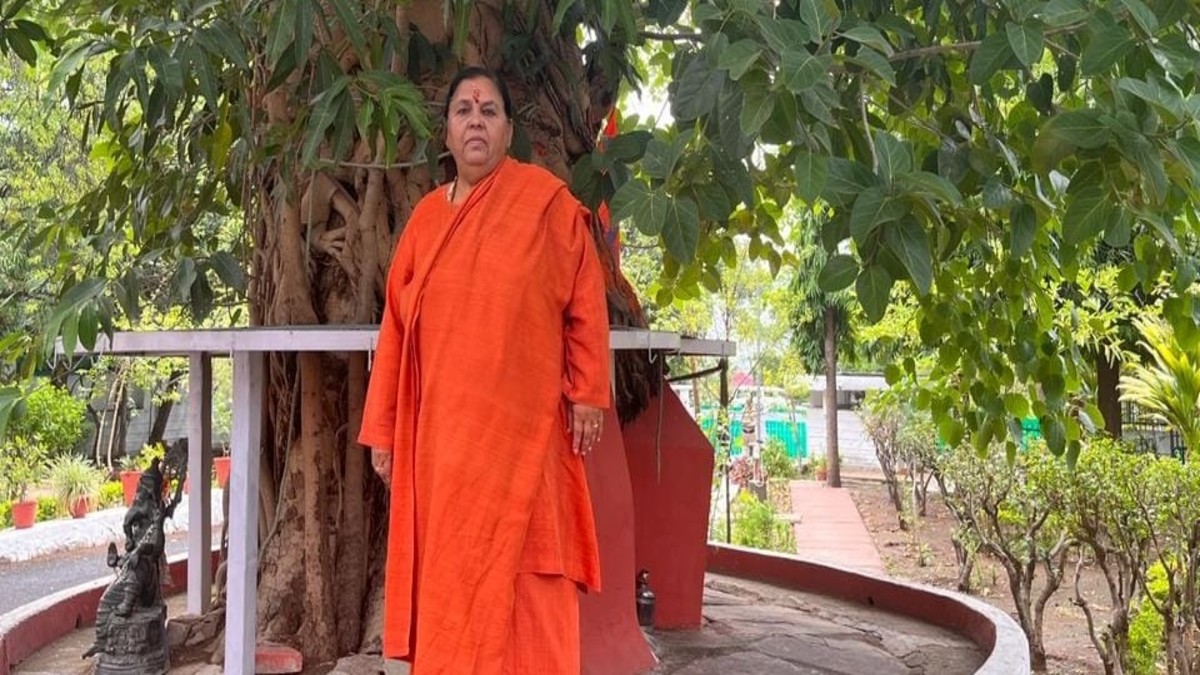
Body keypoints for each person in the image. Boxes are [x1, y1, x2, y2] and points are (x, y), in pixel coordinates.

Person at [358, 65, 611, 674]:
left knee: (532, 574)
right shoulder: (424, 221)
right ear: (447, 133)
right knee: (453, 578)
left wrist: (587, 392)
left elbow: (585, 297)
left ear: (508, 132)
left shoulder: (544, 203)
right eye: (464, 111)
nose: (476, 121)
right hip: (444, 452)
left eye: (489, 111)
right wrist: (385, 430)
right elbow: (396, 329)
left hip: (525, 444)